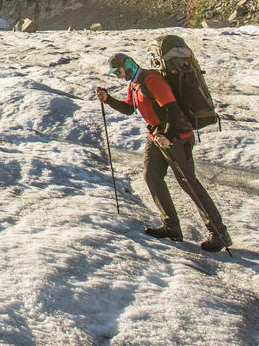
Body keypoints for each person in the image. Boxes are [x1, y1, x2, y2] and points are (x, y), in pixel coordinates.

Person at [96, 52, 232, 252]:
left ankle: (219, 233)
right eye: (114, 73)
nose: (117, 75)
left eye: (118, 71)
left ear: (128, 65)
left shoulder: (151, 80)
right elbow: (128, 109)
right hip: (157, 136)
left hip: (175, 137)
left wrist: (168, 134)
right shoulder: (135, 84)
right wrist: (108, 99)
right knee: (151, 176)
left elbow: (173, 109)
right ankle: (172, 227)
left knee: (188, 183)